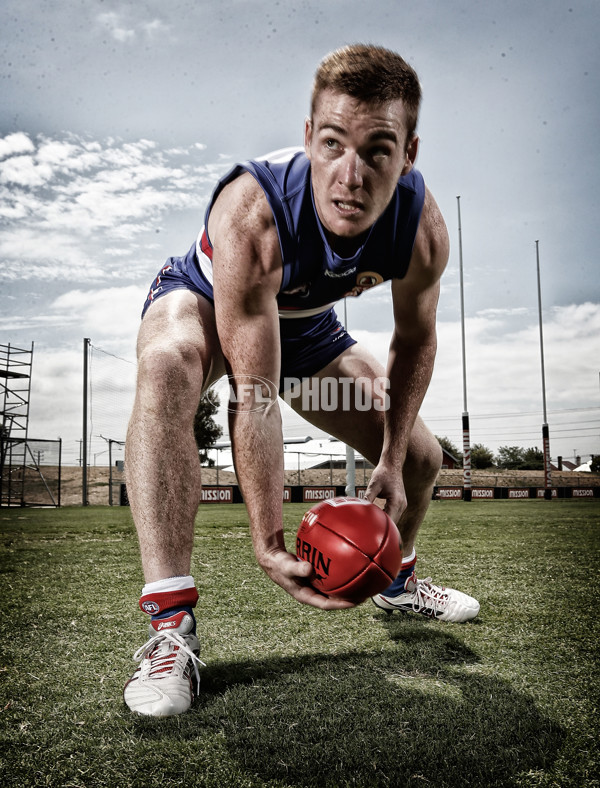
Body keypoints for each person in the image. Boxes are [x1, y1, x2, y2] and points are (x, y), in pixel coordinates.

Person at [123, 44, 480, 718]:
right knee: (167, 367)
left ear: (408, 154)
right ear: (308, 136)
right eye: (333, 143)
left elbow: (416, 340)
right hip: (209, 298)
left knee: (428, 458)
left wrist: (394, 461)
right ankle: (170, 628)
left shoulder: (421, 228)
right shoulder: (253, 213)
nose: (351, 175)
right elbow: (254, 394)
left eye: (378, 149)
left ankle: (396, 583)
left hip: (307, 328)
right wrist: (266, 541)